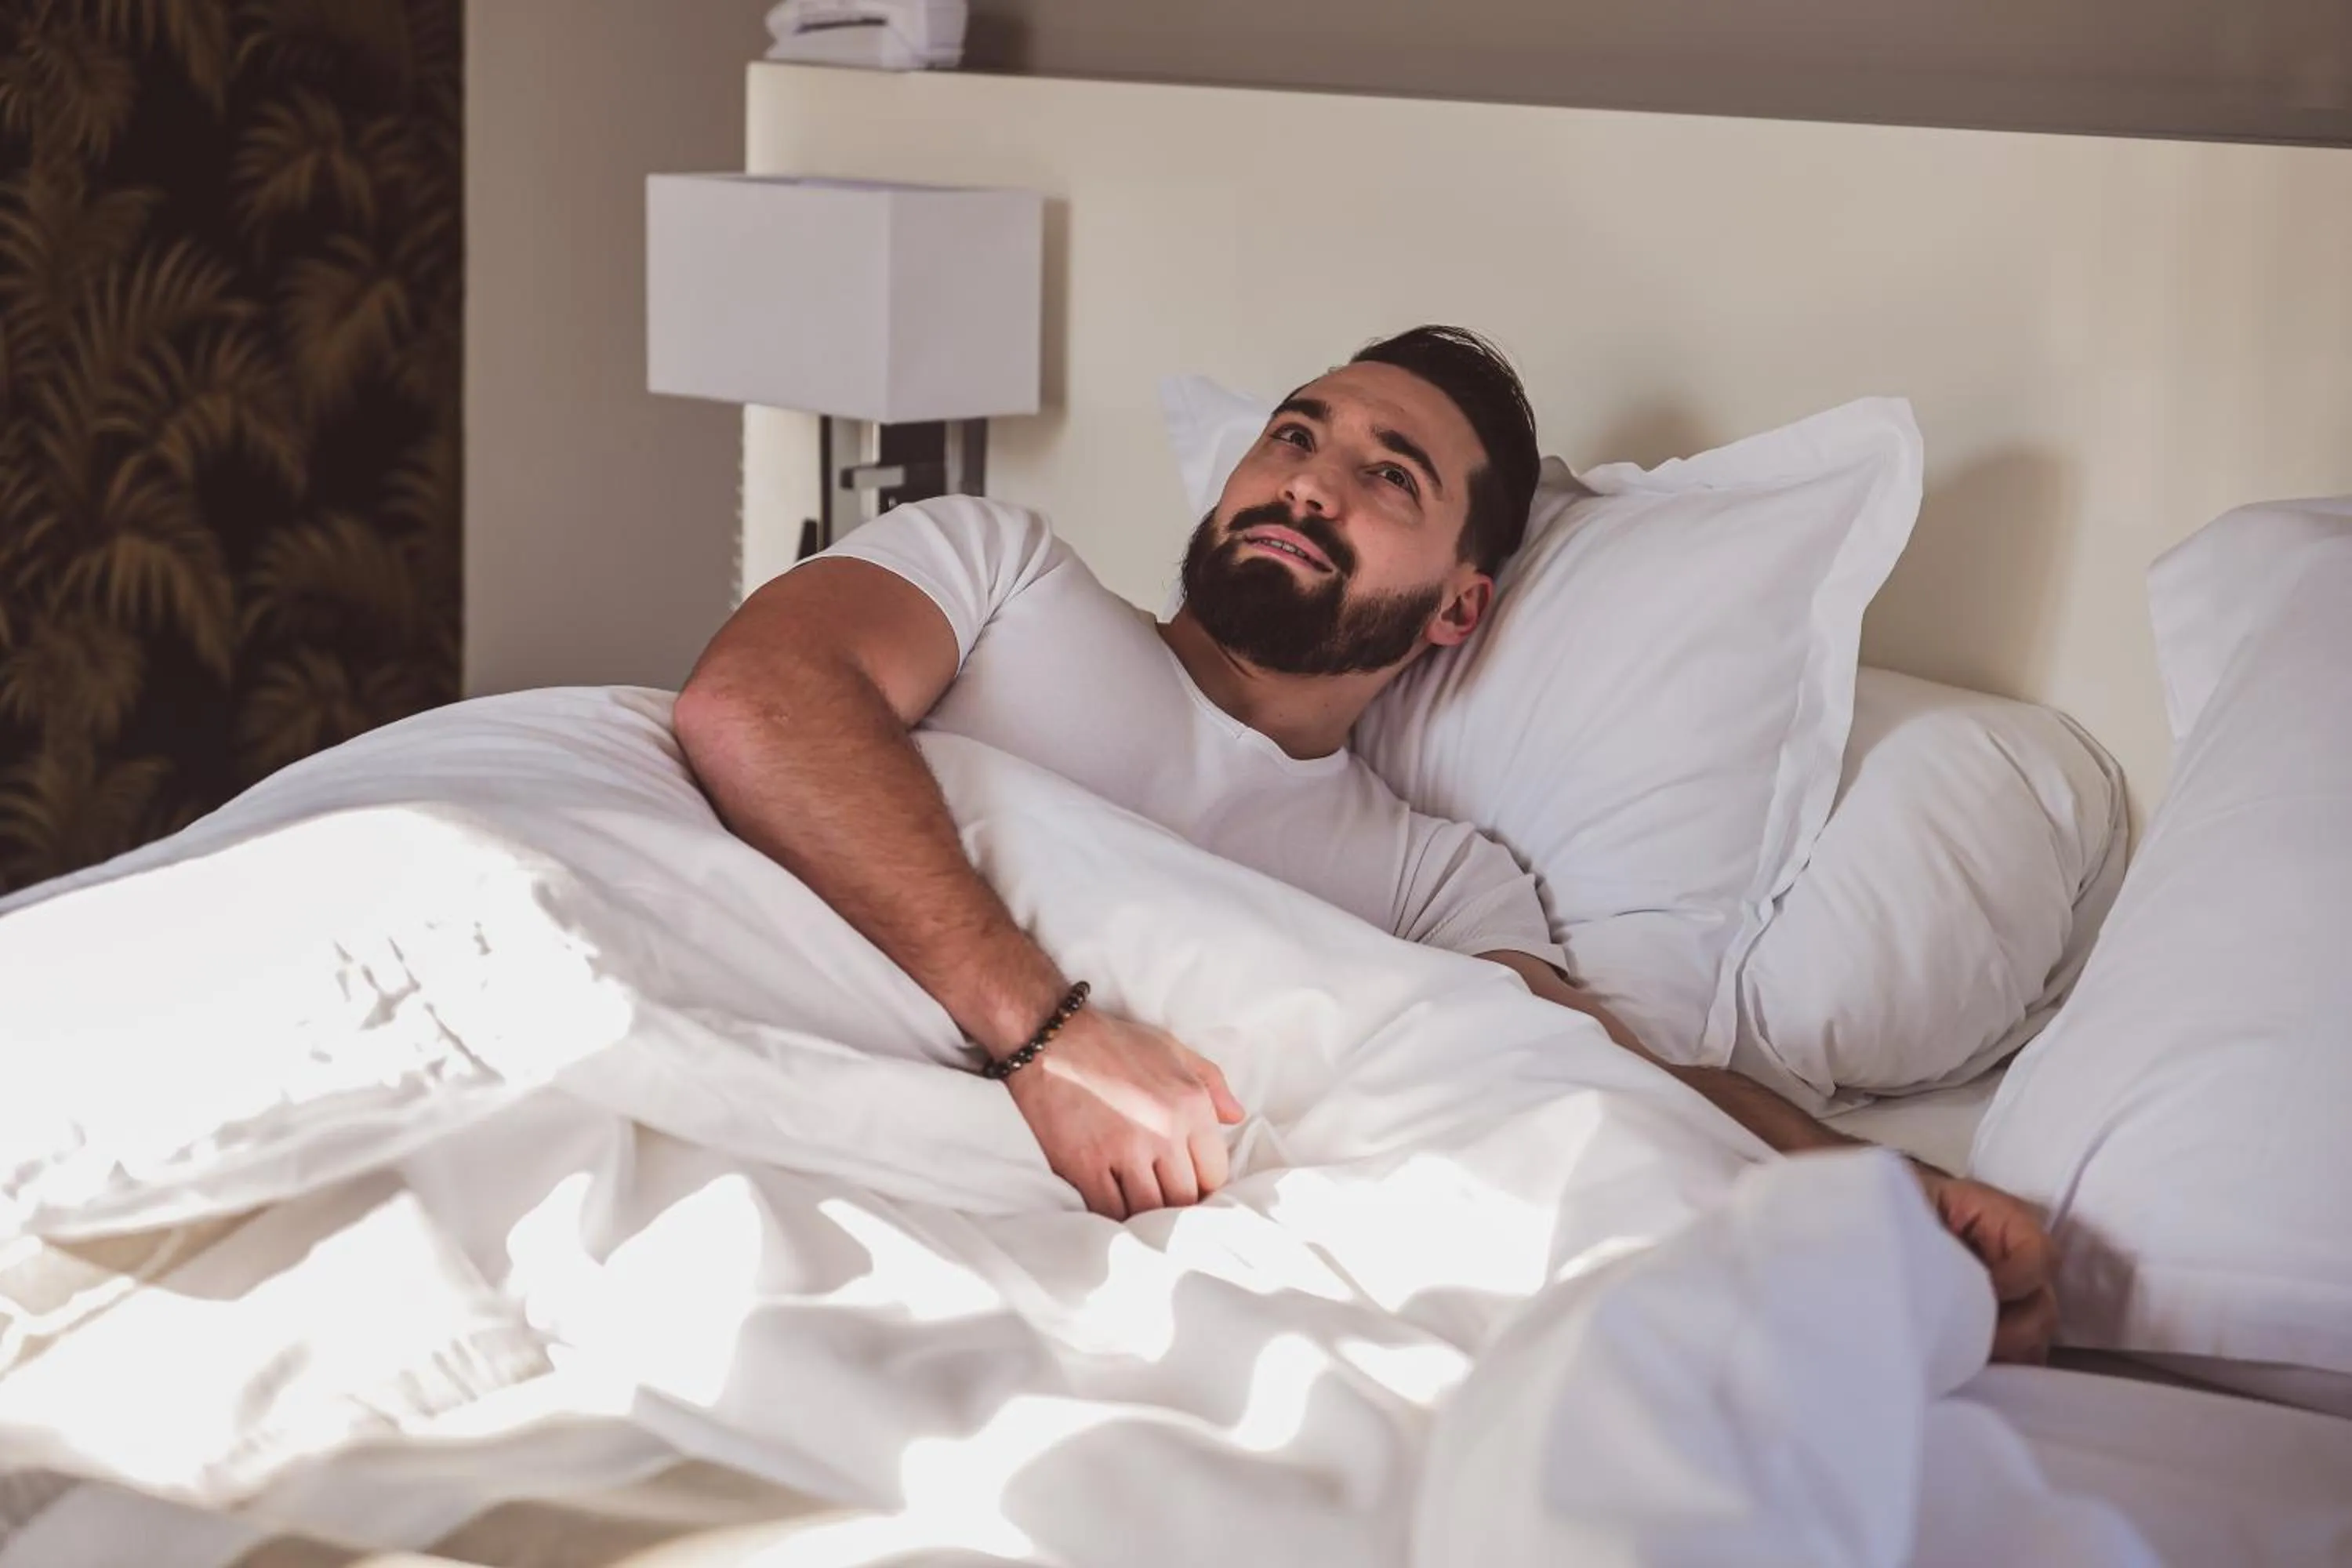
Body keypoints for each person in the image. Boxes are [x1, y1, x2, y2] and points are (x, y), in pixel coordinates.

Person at [674, 325, 2059, 1363]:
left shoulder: (1431, 880)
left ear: (1458, 612)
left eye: (1386, 477)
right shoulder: (1001, 572)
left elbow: (1601, 1080)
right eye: (1293, 436)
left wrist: (1874, 1182)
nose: (1309, 485)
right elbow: (758, 703)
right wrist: (1049, 1036)